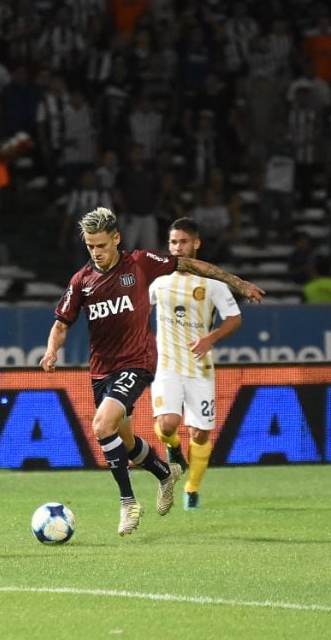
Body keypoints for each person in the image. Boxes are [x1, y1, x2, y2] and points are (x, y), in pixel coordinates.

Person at [40, 207, 264, 536]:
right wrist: (51, 350)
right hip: (102, 369)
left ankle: (128, 502)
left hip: (139, 361)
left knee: (102, 426)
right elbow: (61, 324)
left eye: (101, 245)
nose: (96, 253)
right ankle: (165, 474)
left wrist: (236, 282)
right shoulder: (82, 281)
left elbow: (189, 264)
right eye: (90, 247)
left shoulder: (141, 263)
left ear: (116, 239)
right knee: (126, 441)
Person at [149, 219, 243, 512]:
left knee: (201, 434)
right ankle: (174, 450)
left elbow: (234, 319)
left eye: (184, 242)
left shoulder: (213, 284)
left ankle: (192, 488)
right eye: (173, 242)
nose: (178, 247)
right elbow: (137, 309)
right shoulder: (158, 280)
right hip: (166, 366)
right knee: (167, 424)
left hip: (200, 369)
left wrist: (210, 339)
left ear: (196, 243)